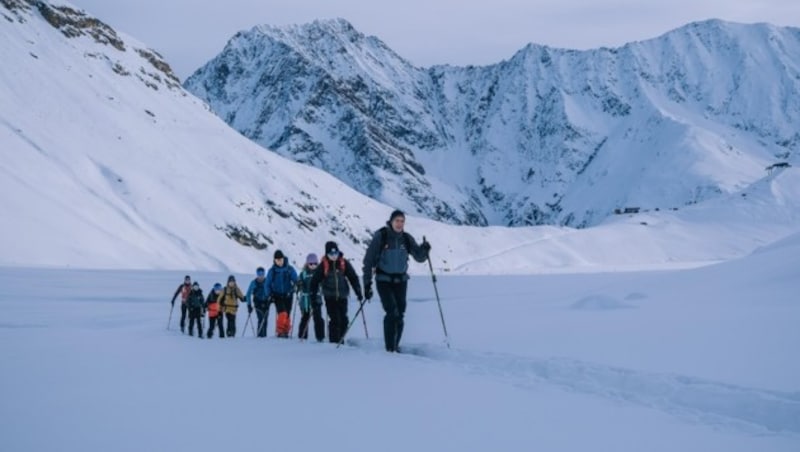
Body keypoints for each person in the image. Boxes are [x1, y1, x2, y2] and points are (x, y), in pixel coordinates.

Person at [362, 209, 430, 352]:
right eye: (397, 221)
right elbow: (368, 261)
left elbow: (419, 257)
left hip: (401, 281)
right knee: (392, 312)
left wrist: (425, 250)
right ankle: (390, 349)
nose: (399, 224)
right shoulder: (381, 236)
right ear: (391, 221)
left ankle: (395, 345)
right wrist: (367, 284)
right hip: (383, 280)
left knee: (400, 314)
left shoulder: (406, 238)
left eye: (402, 221)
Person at [310, 241, 363, 344]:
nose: (334, 256)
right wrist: (313, 297)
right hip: (330, 297)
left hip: (343, 296)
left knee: (344, 320)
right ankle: (334, 343)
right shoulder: (323, 265)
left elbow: (353, 277)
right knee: (335, 319)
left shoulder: (343, 263)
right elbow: (314, 282)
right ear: (327, 254)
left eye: (335, 253)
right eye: (331, 254)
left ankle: (341, 340)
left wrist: (358, 292)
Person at [265, 250, 298, 338]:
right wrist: (269, 294)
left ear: (283, 259)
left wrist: (297, 285)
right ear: (274, 260)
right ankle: (280, 331)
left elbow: (295, 279)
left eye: (281, 260)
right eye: (277, 260)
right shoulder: (272, 271)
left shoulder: (289, 269)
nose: (279, 262)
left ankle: (286, 331)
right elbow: (267, 284)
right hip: (277, 295)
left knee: (287, 313)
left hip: (288, 294)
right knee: (282, 313)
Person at [296, 253, 325, 341]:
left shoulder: (320, 272)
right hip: (306, 300)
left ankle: (320, 337)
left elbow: (323, 282)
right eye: (311, 264)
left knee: (318, 318)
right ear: (307, 264)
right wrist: (299, 285)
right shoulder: (304, 273)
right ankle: (302, 336)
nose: (313, 266)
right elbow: (299, 282)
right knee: (305, 318)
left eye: (315, 263)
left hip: (316, 299)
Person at [245, 267, 270, 337]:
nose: (261, 275)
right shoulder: (253, 283)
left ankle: (264, 336)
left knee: (265, 320)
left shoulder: (267, 282)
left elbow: (271, 290)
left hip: (266, 303)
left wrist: (272, 298)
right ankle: (259, 336)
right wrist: (249, 305)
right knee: (261, 318)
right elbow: (248, 294)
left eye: (262, 273)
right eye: (259, 274)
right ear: (257, 274)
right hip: (258, 303)